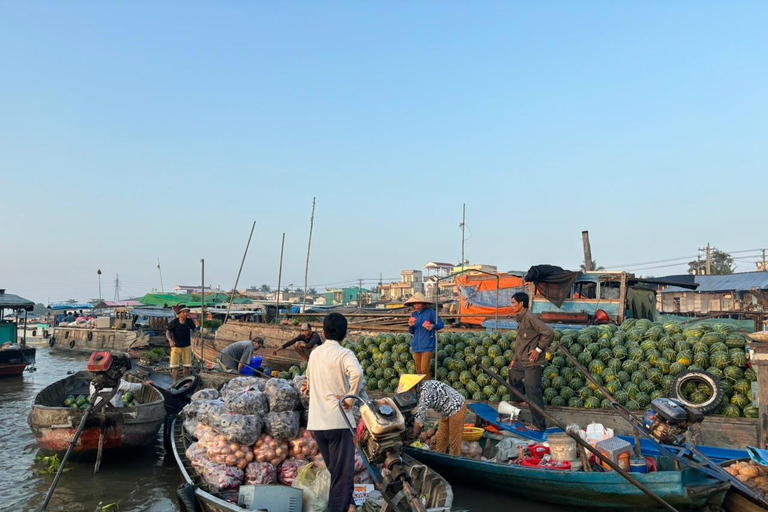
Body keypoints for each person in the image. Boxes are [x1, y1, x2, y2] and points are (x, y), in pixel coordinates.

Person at [305, 313, 363, 512]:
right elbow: (357, 373)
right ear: (344, 333)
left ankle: (350, 505)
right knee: (342, 475)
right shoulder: (345, 354)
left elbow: (309, 379)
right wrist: (350, 396)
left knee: (337, 473)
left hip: (317, 424)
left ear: (323, 332)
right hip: (338, 423)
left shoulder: (315, 354)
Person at [507, 292, 553, 431]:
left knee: (533, 391)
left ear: (521, 304)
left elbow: (549, 333)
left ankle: (539, 425)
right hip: (522, 360)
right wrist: (515, 359)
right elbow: (521, 341)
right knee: (513, 373)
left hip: (533, 361)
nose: (512, 305)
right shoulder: (520, 318)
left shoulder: (530, 317)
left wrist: (538, 350)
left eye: (513, 302)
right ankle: (518, 398)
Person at [399, 374, 466, 456]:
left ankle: (455, 465)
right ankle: (440, 461)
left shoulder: (425, 391)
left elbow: (419, 421)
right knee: (441, 438)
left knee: (454, 441)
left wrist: (413, 436)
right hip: (445, 411)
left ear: (412, 388)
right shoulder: (419, 391)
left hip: (457, 407)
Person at [406, 292, 444, 379]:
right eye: (415, 303)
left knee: (424, 369)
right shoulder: (413, 314)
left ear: (423, 303)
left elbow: (441, 324)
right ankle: (422, 389)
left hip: (427, 343)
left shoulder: (431, 313)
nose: (417, 305)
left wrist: (433, 326)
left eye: (419, 303)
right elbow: (412, 331)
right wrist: (410, 326)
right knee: (418, 370)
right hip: (416, 345)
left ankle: (429, 389)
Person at [166, 306, 196, 384]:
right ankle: (174, 382)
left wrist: (196, 337)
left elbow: (194, 330)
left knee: (186, 366)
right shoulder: (174, 322)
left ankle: (186, 382)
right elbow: (167, 332)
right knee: (174, 366)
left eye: (186, 312)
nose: (185, 314)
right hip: (175, 347)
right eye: (183, 312)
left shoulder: (189, 321)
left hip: (186, 346)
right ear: (179, 314)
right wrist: (170, 340)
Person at [89, 378, 154, 407]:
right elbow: (130, 387)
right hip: (116, 410)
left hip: (97, 409)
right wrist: (143, 384)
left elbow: (92, 396)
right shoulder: (117, 382)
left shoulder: (92, 382)